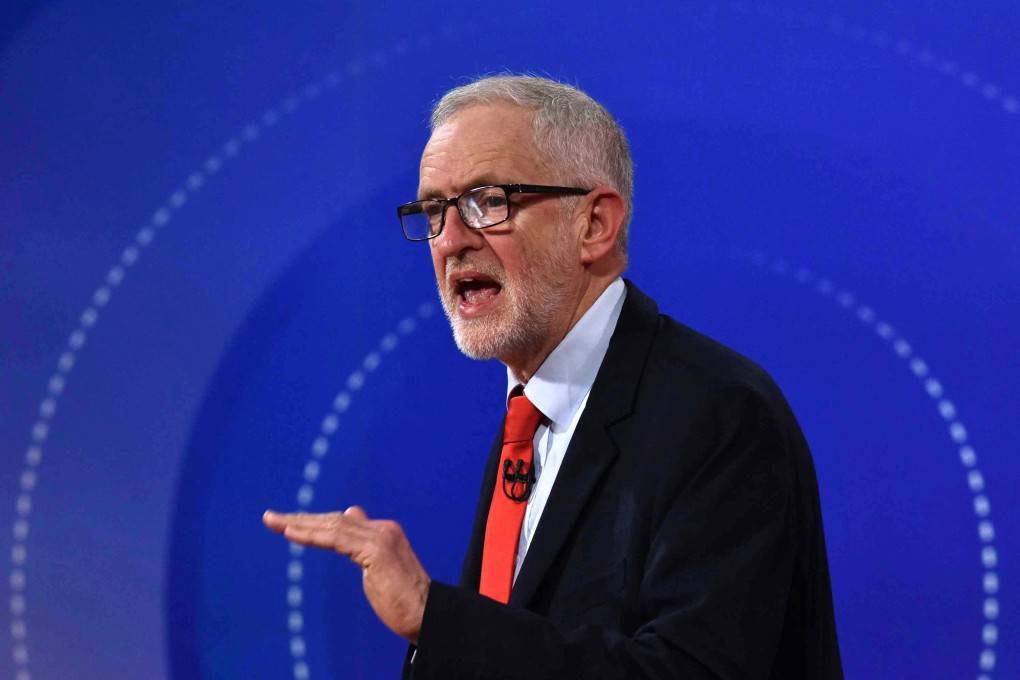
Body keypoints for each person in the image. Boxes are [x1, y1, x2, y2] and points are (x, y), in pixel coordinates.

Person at [264, 74, 843, 679]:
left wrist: (437, 619)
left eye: (488, 201)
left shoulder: (719, 412)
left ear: (594, 224)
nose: (451, 241)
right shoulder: (531, 414)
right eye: (434, 210)